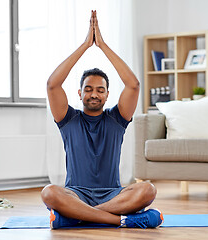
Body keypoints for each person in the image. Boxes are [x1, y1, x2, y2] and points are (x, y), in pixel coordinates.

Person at [42, 10, 163, 229]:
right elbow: (52, 84)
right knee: (49, 192)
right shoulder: (67, 119)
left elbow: (133, 85)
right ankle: (122, 220)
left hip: (113, 195)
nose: (94, 94)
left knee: (148, 189)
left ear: (107, 94)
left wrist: (102, 45)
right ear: (80, 94)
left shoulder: (117, 119)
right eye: (88, 89)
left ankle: (75, 218)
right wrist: (85, 45)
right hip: (75, 194)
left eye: (100, 90)